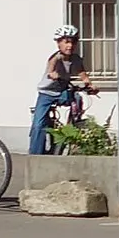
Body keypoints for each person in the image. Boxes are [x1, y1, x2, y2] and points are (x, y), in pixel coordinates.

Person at [28, 24, 94, 154]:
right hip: (47, 93)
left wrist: (89, 85)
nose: (70, 46)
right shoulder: (56, 57)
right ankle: (35, 154)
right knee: (38, 125)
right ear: (59, 43)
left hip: (62, 92)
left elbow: (82, 74)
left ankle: (72, 124)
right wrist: (52, 74)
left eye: (73, 42)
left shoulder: (75, 59)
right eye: (66, 42)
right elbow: (50, 69)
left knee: (77, 98)